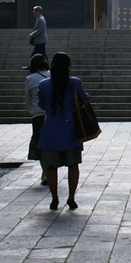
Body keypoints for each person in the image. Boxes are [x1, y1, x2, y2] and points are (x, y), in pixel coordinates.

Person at [37, 52, 90, 211]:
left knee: (51, 166)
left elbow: (41, 104)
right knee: (73, 164)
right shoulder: (75, 83)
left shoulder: (44, 85)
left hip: (50, 130)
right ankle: (71, 198)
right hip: (71, 130)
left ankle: (54, 199)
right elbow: (84, 98)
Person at [23, 53, 50, 185]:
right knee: (51, 143)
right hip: (52, 114)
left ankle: (45, 172)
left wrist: (31, 111)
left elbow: (27, 99)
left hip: (38, 115)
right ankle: (50, 170)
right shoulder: (52, 75)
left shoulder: (29, 79)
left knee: (40, 145)